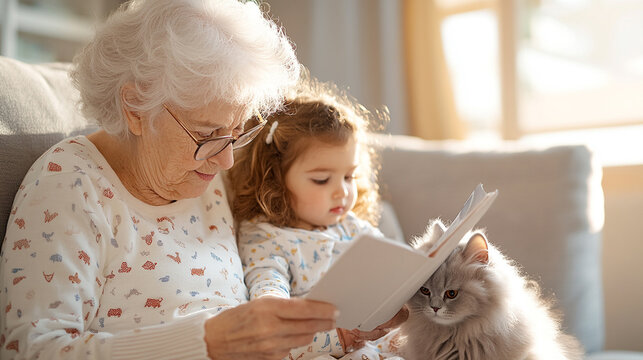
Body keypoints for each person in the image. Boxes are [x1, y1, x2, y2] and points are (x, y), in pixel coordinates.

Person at [0, 1, 339, 359]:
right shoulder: (69, 185)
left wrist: (346, 329)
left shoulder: (205, 170)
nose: (226, 160)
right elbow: (31, 350)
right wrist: (205, 343)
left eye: (237, 131)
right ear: (135, 108)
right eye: (206, 134)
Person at [229, 74, 407, 359]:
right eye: (322, 180)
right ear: (275, 179)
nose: (342, 192)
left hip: (379, 341)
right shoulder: (266, 238)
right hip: (322, 347)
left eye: (349, 176)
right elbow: (270, 303)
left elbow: (395, 273)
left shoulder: (352, 227)